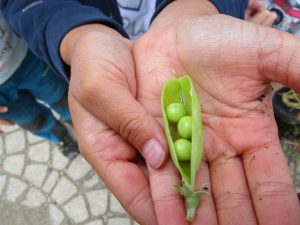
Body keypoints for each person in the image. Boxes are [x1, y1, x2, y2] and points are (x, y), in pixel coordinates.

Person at [2, 1, 300, 225]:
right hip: (110, 72)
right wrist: (77, 35)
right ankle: (64, 132)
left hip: (181, 45)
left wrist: (198, 8)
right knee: (68, 103)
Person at [0, 11, 79, 158]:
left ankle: (79, 121)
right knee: (32, 121)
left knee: (60, 95)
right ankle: (59, 135)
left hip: (23, 54)